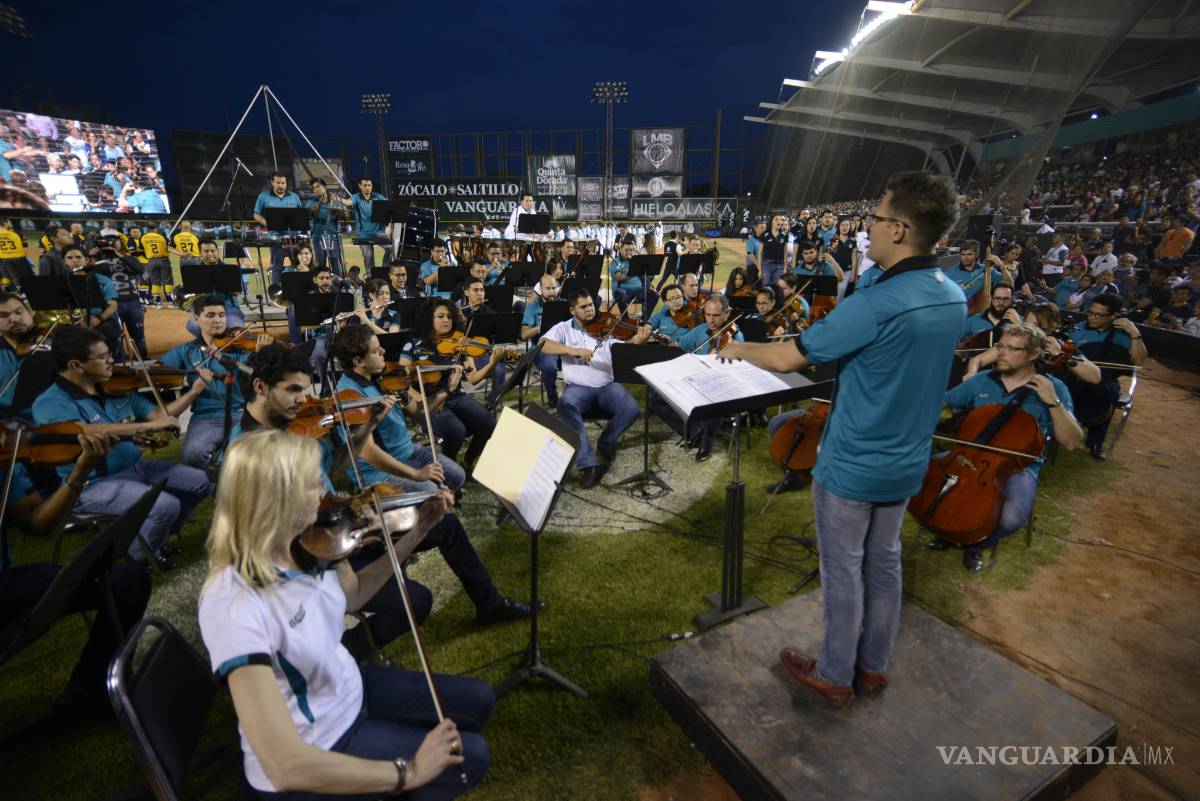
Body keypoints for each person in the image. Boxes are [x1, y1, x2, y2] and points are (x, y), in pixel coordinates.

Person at [718, 171, 966, 706]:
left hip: (853, 460)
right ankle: (871, 667)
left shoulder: (878, 302)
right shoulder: (951, 296)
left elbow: (789, 356)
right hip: (907, 460)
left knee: (843, 573)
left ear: (899, 229)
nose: (867, 227)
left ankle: (833, 674)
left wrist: (739, 350)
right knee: (884, 561)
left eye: (875, 219)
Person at [198, 429, 493, 800]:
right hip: (322, 741)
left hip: (350, 686)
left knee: (480, 701)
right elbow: (283, 764)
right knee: (471, 757)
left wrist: (417, 532)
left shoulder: (307, 543)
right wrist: (409, 772)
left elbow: (354, 595)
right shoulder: (234, 604)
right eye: (311, 485)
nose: (324, 493)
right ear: (275, 500)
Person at [32, 325, 215, 567]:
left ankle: (159, 535)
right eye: (103, 357)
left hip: (139, 467)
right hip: (93, 484)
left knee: (202, 482)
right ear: (76, 365)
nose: (112, 361)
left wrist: (193, 392)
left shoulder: (115, 388)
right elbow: (82, 431)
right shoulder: (50, 403)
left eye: (110, 354)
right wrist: (143, 429)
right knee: (166, 505)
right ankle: (139, 555)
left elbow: (159, 416)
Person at [1, 431, 151, 718]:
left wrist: (81, 471)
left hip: (6, 583)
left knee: (129, 581)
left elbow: (38, 523)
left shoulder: (8, 455)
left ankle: (90, 689)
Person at [930, 323, 1083, 571]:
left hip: (1019, 467)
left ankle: (977, 543)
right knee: (922, 476)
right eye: (1000, 346)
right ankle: (947, 531)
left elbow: (1072, 441)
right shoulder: (982, 380)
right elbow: (943, 403)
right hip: (970, 454)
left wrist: (1054, 404)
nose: (1001, 353)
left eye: (1012, 349)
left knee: (1011, 518)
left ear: (1033, 355)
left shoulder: (1054, 388)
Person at [538, 287, 653, 488]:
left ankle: (606, 442)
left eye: (591, 305)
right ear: (573, 310)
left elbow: (625, 346)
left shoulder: (608, 326)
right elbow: (542, 344)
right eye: (584, 307)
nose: (590, 310)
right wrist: (571, 350)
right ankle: (587, 465)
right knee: (566, 405)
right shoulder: (563, 328)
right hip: (578, 387)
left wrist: (638, 341)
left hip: (608, 385)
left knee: (632, 409)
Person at [159, 294, 272, 469]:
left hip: (241, 413)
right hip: (205, 417)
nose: (218, 320)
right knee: (192, 455)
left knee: (257, 453)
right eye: (210, 315)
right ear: (196, 319)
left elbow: (263, 383)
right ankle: (220, 477)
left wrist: (261, 356)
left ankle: (226, 474)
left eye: (221, 315)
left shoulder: (241, 347)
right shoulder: (186, 350)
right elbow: (160, 371)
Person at [398, 299, 498, 471]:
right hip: (427, 400)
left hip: (454, 396)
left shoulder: (459, 345)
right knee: (455, 430)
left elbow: (472, 378)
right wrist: (423, 400)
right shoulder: (413, 345)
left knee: (488, 422)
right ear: (430, 318)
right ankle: (447, 469)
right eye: (441, 316)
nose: (446, 320)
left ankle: (467, 463)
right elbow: (402, 382)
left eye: (450, 317)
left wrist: (492, 363)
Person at [650, 294, 744, 461]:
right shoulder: (701, 330)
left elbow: (737, 372)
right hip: (695, 382)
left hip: (722, 389)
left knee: (712, 400)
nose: (711, 320)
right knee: (656, 397)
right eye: (707, 314)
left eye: (715, 316)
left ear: (727, 313)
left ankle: (705, 444)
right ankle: (694, 431)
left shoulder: (736, 337)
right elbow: (679, 344)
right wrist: (666, 342)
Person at [1065, 292, 1147, 459]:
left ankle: (1096, 441)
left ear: (1114, 316)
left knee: (1105, 391)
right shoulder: (1077, 329)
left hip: (1106, 380)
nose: (1092, 318)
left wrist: (1135, 333)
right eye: (1091, 313)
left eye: (1099, 315)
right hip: (1073, 377)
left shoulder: (1122, 335)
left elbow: (1138, 362)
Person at [253, 172, 303, 285]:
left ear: (286, 184)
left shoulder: (294, 196)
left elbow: (301, 214)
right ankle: (277, 294)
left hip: (293, 237)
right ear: (272, 182)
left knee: (297, 264)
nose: (281, 185)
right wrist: (269, 223)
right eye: (278, 182)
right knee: (277, 266)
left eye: (283, 183)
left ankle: (297, 289)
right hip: (275, 238)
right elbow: (256, 215)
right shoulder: (263, 196)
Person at [520, 273, 561, 407]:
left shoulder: (563, 303)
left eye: (554, 288)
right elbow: (524, 334)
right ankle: (552, 396)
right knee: (549, 367)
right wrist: (540, 327)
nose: (552, 292)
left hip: (564, 345)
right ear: (541, 289)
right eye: (548, 289)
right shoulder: (532, 307)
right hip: (542, 348)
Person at [305, 178, 344, 272]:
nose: (316, 190)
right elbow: (305, 216)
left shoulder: (335, 201)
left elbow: (345, 217)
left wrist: (338, 212)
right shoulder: (311, 202)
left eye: (318, 187)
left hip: (333, 236)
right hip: (318, 236)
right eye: (314, 188)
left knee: (336, 264)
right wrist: (310, 211)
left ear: (325, 187)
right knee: (320, 264)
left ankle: (337, 285)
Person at [139, 227, 171, 307]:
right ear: (155, 228)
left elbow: (141, 250)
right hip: (163, 260)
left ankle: (157, 301)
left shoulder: (143, 237)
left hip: (151, 260)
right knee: (167, 280)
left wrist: (148, 256)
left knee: (154, 281)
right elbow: (168, 247)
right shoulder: (161, 236)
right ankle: (170, 301)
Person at [0, 217, 33, 289]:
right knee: (27, 276)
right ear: (5, 223)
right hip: (19, 258)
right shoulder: (15, 233)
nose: (11, 224)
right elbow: (25, 246)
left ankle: (17, 292)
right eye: (9, 222)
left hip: (4, 259)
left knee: (14, 276)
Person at [758, 215, 788, 289]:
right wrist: (759, 269)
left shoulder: (784, 235)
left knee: (777, 288)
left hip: (780, 266)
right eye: (776, 219)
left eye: (780, 220)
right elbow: (759, 253)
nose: (779, 221)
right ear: (771, 222)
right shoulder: (764, 235)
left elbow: (785, 253)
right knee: (765, 288)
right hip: (767, 265)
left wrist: (785, 268)